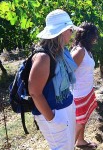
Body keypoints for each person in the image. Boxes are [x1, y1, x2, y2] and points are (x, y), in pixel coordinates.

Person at [28, 9, 81, 150]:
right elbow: (34, 92)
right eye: (70, 29)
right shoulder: (43, 57)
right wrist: (52, 119)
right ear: (61, 31)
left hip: (65, 107)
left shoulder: (61, 53)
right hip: (54, 113)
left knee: (69, 146)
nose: (72, 32)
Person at [71, 22, 98, 148]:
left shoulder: (86, 50)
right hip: (78, 94)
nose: (96, 38)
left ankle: (80, 141)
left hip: (86, 91)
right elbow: (68, 72)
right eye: (94, 35)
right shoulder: (79, 51)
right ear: (88, 36)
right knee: (79, 123)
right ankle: (69, 146)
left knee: (83, 120)